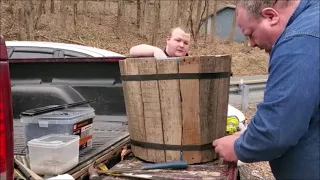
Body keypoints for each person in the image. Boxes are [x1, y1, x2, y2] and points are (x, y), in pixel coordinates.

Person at [212, 0, 319, 179]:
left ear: (271, 16)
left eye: (251, 34)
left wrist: (238, 147)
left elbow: (276, 129)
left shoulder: (300, 41)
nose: (252, 44)